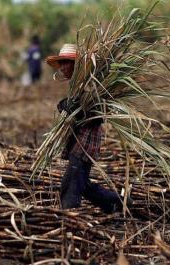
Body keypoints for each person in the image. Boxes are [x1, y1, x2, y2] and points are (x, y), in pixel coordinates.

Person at [45, 43, 129, 213]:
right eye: (61, 63)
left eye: (67, 62)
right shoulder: (77, 86)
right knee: (83, 185)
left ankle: (69, 217)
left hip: (85, 143)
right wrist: (65, 105)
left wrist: (77, 111)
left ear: (77, 65)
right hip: (79, 141)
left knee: (71, 186)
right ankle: (117, 203)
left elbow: (100, 114)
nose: (63, 67)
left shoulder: (91, 85)